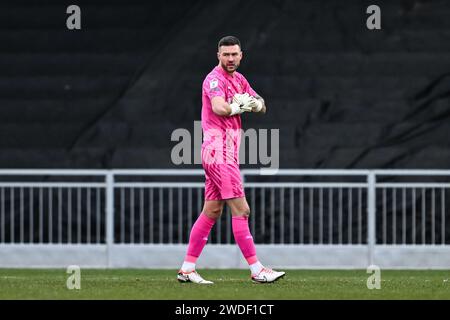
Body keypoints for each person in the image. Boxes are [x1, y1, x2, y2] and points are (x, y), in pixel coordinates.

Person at [177, 36, 285, 284]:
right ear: (218, 55)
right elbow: (219, 108)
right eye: (225, 54)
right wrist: (239, 107)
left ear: (241, 55)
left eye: (234, 54)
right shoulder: (214, 79)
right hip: (219, 152)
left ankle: (187, 269)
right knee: (242, 210)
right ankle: (257, 270)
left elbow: (262, 104)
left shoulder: (240, 80)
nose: (230, 59)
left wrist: (253, 105)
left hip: (223, 153)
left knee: (212, 210)